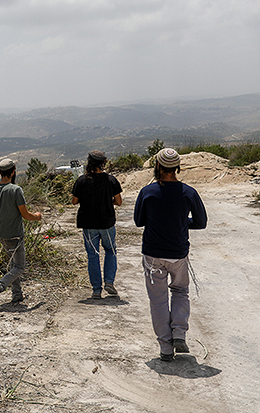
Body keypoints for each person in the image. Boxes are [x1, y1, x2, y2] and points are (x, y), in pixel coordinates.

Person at [134, 148, 207, 361]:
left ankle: (166, 348)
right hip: (178, 254)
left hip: (153, 255)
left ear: (157, 166)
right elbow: (201, 222)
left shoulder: (147, 192)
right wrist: (182, 222)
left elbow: (139, 221)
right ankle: (179, 333)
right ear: (177, 167)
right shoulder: (189, 192)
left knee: (158, 300)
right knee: (180, 291)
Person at [0, 158, 42, 311]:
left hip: (1, 235)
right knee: (20, 267)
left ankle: (17, 294)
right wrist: (36, 216)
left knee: (13, 266)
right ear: (13, 171)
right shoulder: (16, 190)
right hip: (15, 235)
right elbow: (25, 215)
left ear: (0, 172)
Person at [71, 150, 123, 299]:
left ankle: (96, 289)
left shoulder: (81, 180)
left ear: (89, 163)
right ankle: (109, 282)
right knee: (110, 251)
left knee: (93, 256)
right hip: (107, 223)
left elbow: (74, 201)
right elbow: (119, 202)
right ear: (103, 163)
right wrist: (108, 202)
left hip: (88, 225)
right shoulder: (111, 180)